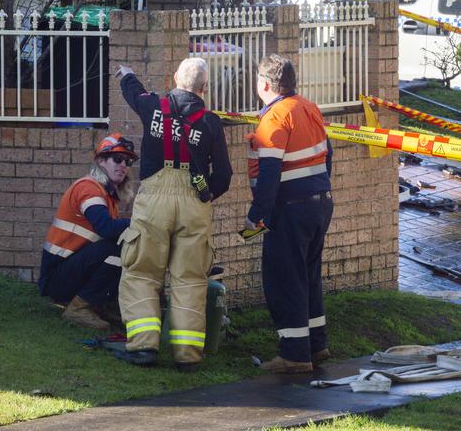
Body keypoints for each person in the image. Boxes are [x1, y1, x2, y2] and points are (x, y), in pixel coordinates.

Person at [114, 58, 233, 371]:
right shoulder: (210, 122)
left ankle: (143, 348)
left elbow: (133, 91)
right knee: (191, 280)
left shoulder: (154, 107)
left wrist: (126, 75)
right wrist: (204, 197)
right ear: (204, 88)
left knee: (141, 272)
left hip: (153, 201)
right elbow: (224, 175)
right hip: (194, 205)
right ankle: (187, 355)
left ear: (174, 78)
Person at [244, 54, 333, 373]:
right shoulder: (309, 107)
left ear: (264, 84)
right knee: (308, 275)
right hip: (320, 203)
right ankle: (315, 344)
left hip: (290, 209)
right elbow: (327, 155)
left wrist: (255, 217)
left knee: (284, 278)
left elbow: (269, 174)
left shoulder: (274, 118)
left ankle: (294, 355)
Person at [38, 133, 138, 331]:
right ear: (101, 160)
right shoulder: (88, 188)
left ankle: (101, 304)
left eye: (127, 161)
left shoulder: (107, 194)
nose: (123, 165)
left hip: (70, 270)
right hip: (58, 277)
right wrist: (139, 223)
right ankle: (79, 308)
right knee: (117, 249)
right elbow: (106, 228)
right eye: (117, 159)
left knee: (127, 246)